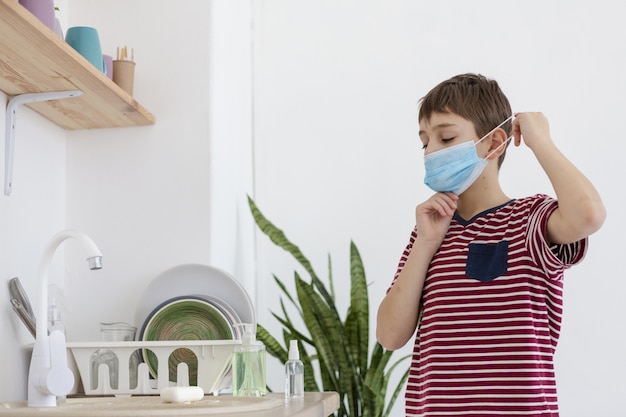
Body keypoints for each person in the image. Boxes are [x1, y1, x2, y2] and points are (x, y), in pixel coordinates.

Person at [376, 73, 606, 416]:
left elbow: (588, 214)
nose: (431, 152)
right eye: (424, 142)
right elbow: (389, 336)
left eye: (446, 137)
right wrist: (425, 243)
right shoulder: (427, 233)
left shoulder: (530, 220)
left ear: (494, 142)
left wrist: (540, 140)